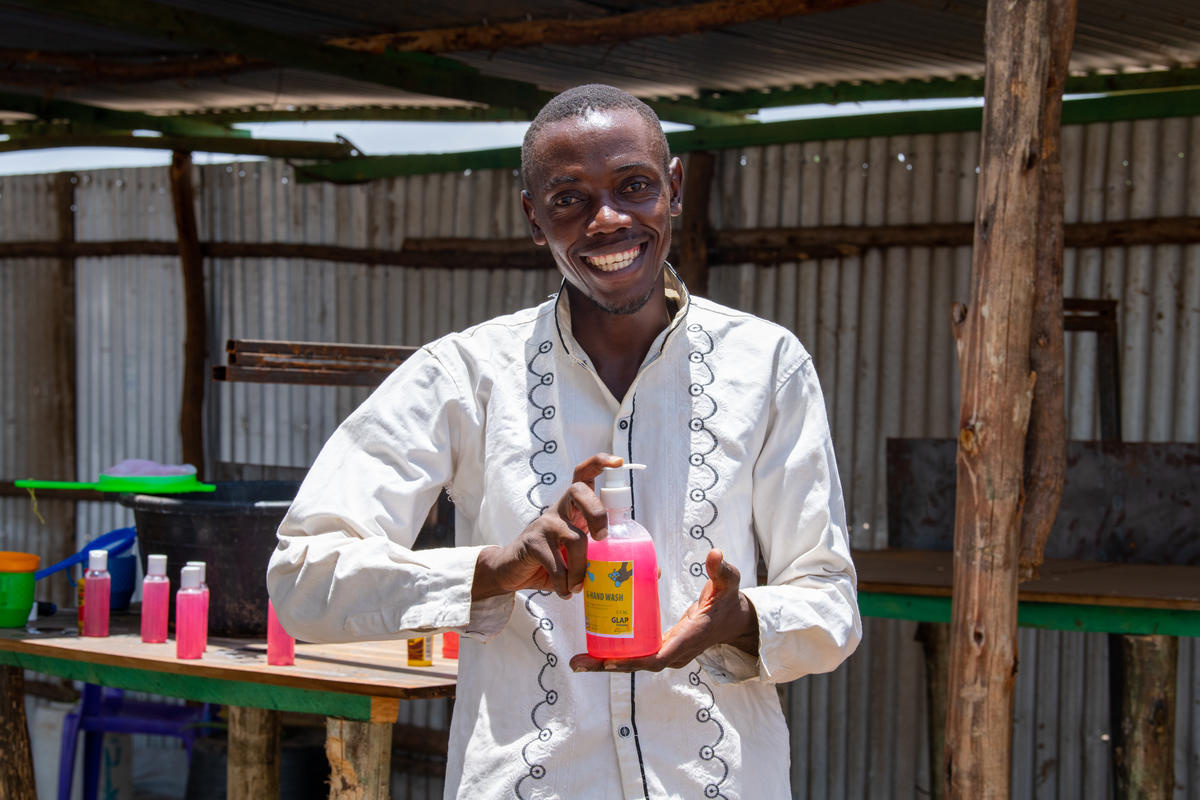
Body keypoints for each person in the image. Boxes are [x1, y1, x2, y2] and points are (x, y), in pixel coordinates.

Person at [267, 83, 860, 799]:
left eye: (634, 186)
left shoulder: (765, 366)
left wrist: (742, 621)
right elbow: (301, 579)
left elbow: (830, 601)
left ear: (673, 189)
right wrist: (491, 568)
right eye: (568, 199)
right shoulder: (465, 376)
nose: (607, 220)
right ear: (532, 216)